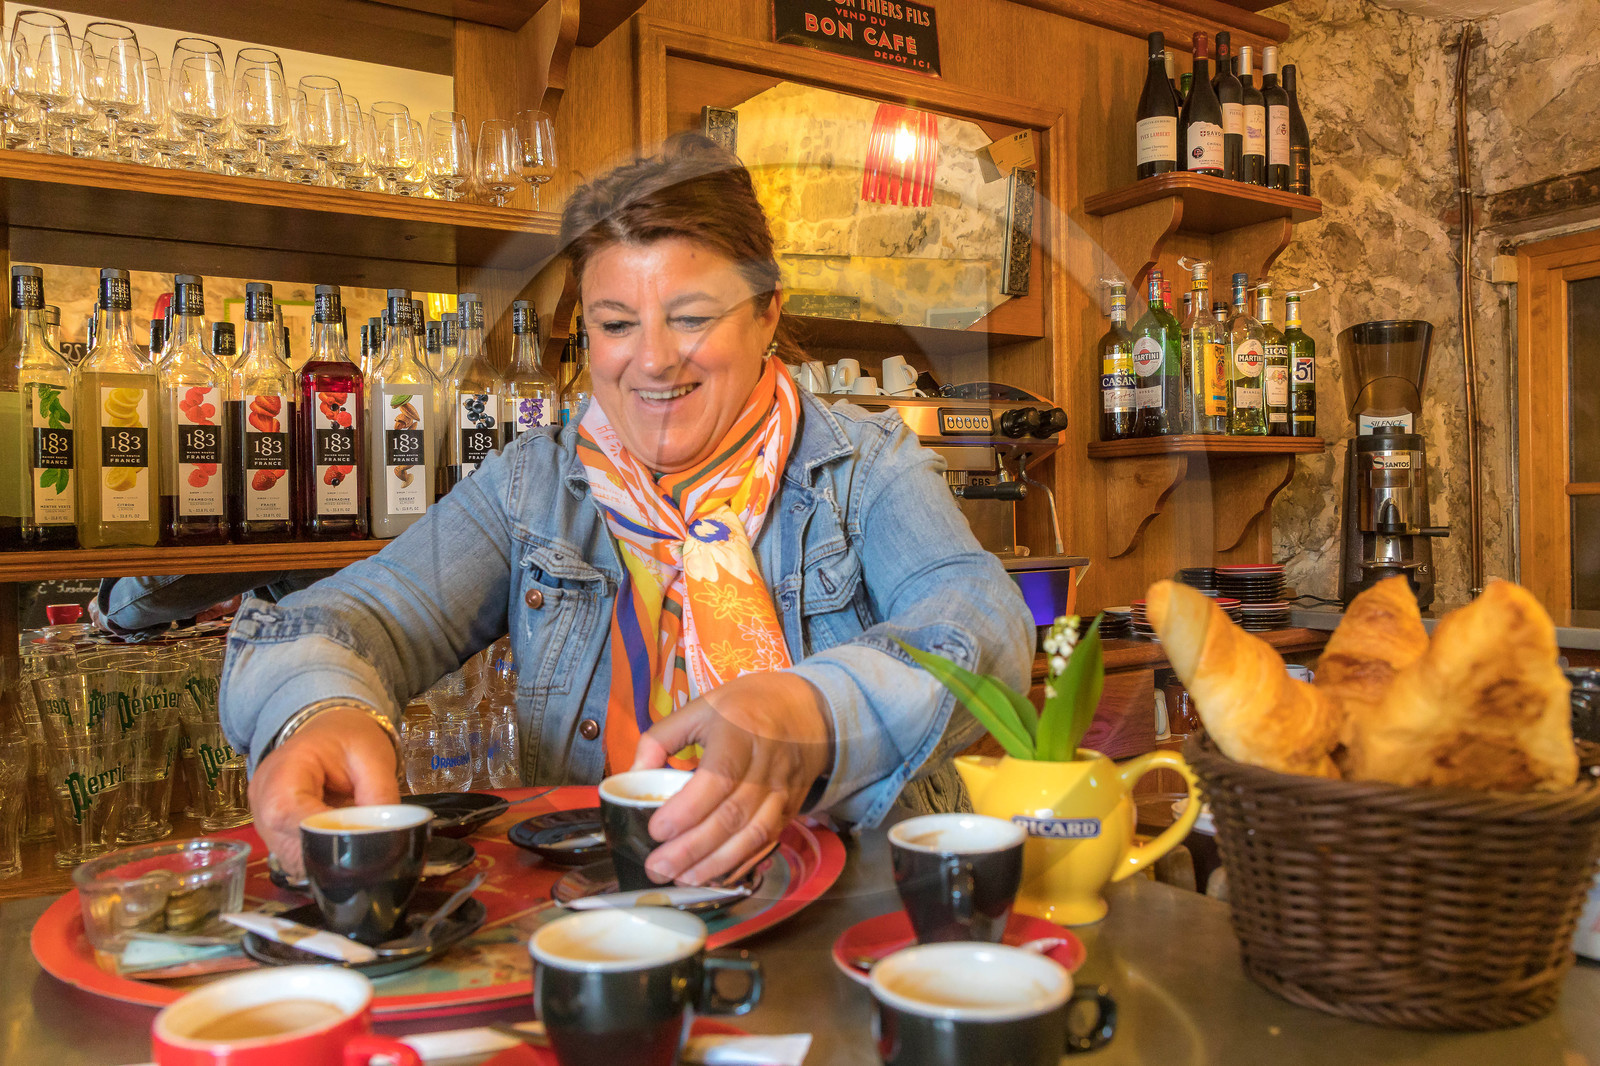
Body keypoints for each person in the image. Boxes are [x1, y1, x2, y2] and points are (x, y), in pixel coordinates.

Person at [221, 135, 1033, 882]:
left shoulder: (862, 465)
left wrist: (815, 708)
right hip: (610, 918)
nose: (652, 360)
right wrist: (318, 710)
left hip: (857, 910)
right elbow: (356, 616)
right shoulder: (536, 485)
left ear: (767, 313)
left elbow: (981, 618)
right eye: (616, 324)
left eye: (692, 319)